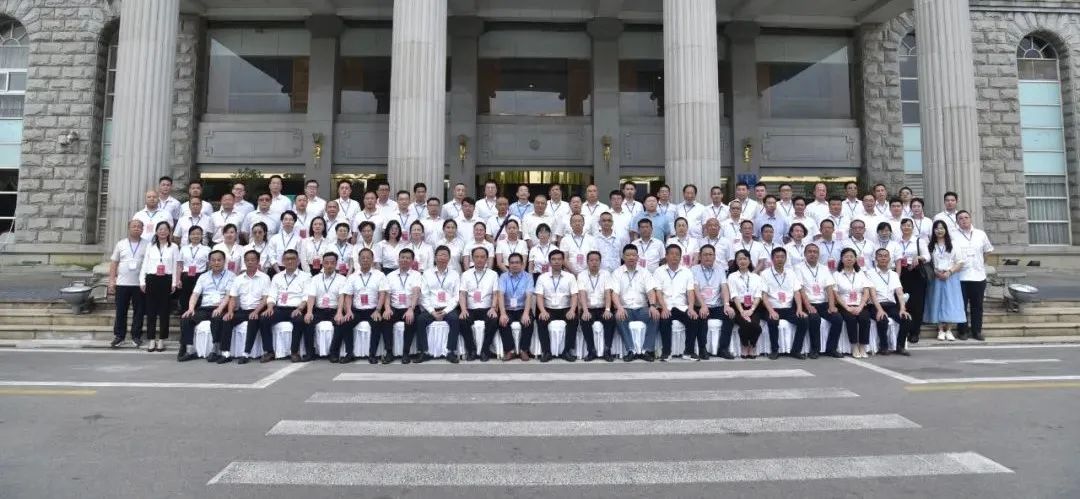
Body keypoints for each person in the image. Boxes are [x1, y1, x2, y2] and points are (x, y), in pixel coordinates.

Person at [177, 250, 234, 362]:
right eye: (213, 260)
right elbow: (195, 294)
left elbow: (229, 295)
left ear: (224, 261)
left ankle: (215, 350)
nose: (216, 262)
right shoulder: (203, 276)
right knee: (186, 318)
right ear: (209, 262)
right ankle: (189, 350)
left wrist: (220, 308)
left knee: (217, 318)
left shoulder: (231, 276)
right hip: (205, 308)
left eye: (219, 260)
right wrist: (191, 308)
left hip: (221, 307)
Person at [414, 246, 467, 363]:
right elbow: (424, 296)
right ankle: (423, 352)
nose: (442, 257)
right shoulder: (427, 274)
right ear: (435, 257)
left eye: (445, 255)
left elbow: (456, 296)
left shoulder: (454, 274)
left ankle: (450, 352)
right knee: (420, 320)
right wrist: (432, 312)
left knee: (455, 319)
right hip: (432, 308)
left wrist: (446, 311)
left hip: (448, 308)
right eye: (440, 255)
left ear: (449, 258)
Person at [609, 244, 660, 362]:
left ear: (638, 257)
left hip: (642, 308)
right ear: (623, 257)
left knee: (655, 316)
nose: (631, 257)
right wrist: (619, 308)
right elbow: (614, 294)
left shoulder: (645, 272)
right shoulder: (617, 273)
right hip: (625, 308)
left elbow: (651, 291)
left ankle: (647, 350)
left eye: (633, 255)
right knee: (619, 317)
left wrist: (653, 306)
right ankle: (631, 350)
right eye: (628, 255)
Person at [338, 248, 390, 364]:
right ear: (358, 260)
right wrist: (349, 311)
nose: (365, 260)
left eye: (368, 258)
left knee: (377, 323)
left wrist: (378, 310)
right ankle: (349, 353)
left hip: (373, 309)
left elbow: (382, 293)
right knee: (346, 322)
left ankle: (372, 355)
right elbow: (348, 295)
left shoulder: (380, 275)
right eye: (363, 258)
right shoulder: (353, 276)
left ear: (372, 260)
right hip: (357, 310)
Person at [261, 249, 310, 363]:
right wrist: (269, 308)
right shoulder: (277, 277)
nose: (290, 261)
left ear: (298, 261)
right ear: (283, 261)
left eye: (293, 259)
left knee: (299, 320)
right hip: (280, 308)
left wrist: (300, 308)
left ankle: (294, 352)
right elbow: (272, 295)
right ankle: (269, 352)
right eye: (287, 259)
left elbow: (306, 296)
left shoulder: (305, 276)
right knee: (264, 318)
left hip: (296, 308)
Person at [759, 247, 808, 360]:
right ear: (772, 259)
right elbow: (764, 295)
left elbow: (796, 292)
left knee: (804, 320)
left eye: (782, 257)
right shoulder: (765, 274)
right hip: (772, 307)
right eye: (777, 257)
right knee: (772, 320)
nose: (780, 259)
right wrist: (771, 311)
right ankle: (774, 350)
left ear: (786, 259)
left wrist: (799, 309)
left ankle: (796, 350)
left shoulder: (791, 273)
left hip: (788, 308)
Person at [140, 221, 180, 353]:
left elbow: (175, 266)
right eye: (160, 229)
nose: (163, 231)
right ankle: (151, 339)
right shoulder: (150, 246)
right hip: (152, 279)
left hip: (166, 280)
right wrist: (142, 281)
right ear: (156, 231)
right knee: (151, 311)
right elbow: (145, 264)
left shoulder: (174, 247)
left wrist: (174, 283)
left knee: (164, 311)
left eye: (165, 229)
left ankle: (162, 339)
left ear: (169, 232)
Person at [654, 244, 700, 360]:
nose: (674, 256)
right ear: (666, 256)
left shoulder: (687, 272)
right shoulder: (659, 271)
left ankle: (689, 352)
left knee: (693, 319)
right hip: (665, 306)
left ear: (680, 257)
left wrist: (691, 308)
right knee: (665, 320)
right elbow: (658, 292)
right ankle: (666, 352)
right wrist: (664, 308)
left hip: (681, 306)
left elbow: (690, 291)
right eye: (671, 254)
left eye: (677, 254)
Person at [795, 243, 840, 358]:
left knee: (837, 318)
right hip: (808, 303)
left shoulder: (824, 268)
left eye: (815, 252)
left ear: (818, 254)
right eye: (809, 251)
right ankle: (815, 349)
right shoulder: (799, 268)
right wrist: (808, 306)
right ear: (805, 254)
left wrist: (831, 305)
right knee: (814, 319)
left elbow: (829, 287)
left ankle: (831, 349)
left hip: (823, 303)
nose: (812, 254)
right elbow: (800, 289)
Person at [533, 250, 580, 362]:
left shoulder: (570, 277)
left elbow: (574, 295)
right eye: (553, 259)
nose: (556, 262)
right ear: (549, 262)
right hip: (548, 309)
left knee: (573, 320)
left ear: (563, 261)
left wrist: (572, 310)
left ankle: (567, 351)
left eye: (559, 259)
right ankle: (546, 352)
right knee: (541, 320)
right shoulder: (542, 277)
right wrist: (542, 311)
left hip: (565, 308)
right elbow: (539, 296)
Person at [304, 252, 351, 362]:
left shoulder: (342, 279)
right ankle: (310, 353)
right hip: (319, 310)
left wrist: (339, 312)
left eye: (332, 263)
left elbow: (341, 297)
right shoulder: (315, 279)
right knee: (307, 321)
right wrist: (309, 312)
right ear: (322, 264)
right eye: (326, 263)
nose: (329, 265)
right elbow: (311, 296)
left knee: (340, 323)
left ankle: (334, 353)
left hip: (334, 309)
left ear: (336, 264)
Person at [954, 211, 994, 341]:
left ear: (970, 219)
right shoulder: (953, 235)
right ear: (957, 221)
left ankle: (977, 331)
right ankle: (962, 331)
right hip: (961, 276)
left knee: (977, 306)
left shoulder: (980, 234)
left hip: (978, 275)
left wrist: (980, 263)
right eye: (961, 218)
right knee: (961, 305)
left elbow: (987, 251)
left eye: (966, 217)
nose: (964, 220)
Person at [925, 220, 967, 341]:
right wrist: (935, 272)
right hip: (936, 277)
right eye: (937, 228)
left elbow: (960, 262)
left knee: (950, 302)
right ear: (933, 230)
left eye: (942, 228)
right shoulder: (931, 245)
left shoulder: (953, 244)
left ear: (946, 230)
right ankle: (940, 330)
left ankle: (948, 329)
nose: (939, 230)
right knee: (937, 301)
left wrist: (949, 272)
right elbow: (928, 262)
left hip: (951, 277)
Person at [108, 219, 147, 348]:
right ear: (129, 228)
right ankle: (119, 336)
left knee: (139, 311)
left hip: (139, 284)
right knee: (121, 311)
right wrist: (112, 280)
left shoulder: (147, 244)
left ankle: (136, 336)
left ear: (142, 229)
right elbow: (114, 263)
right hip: (122, 283)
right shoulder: (121, 244)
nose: (136, 228)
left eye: (139, 227)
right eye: (133, 226)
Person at [229, 250, 274, 362]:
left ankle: (246, 353)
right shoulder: (238, 279)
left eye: (253, 260)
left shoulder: (264, 277)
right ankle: (224, 352)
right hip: (243, 310)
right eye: (247, 260)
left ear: (258, 262)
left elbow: (265, 298)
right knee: (226, 319)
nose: (250, 262)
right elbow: (233, 298)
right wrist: (230, 312)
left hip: (258, 309)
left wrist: (256, 311)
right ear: (244, 262)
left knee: (253, 319)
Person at [867, 248, 913, 355]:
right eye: (880, 256)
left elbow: (900, 293)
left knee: (906, 319)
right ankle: (884, 347)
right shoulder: (869, 273)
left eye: (885, 256)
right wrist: (879, 310)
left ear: (889, 259)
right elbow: (872, 295)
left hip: (891, 305)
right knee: (882, 319)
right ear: (875, 258)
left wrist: (902, 309)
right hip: (875, 305)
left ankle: (900, 346)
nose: (883, 258)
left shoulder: (894, 274)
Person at [458, 247, 500, 361]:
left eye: (482, 257)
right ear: (472, 258)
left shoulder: (493, 274)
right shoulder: (466, 274)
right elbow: (462, 294)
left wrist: (493, 308)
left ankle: (485, 350)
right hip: (470, 308)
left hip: (487, 308)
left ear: (487, 259)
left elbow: (496, 293)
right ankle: (471, 350)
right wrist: (463, 309)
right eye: (476, 257)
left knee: (494, 320)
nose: (479, 259)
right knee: (462, 320)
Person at [691, 244, 731, 359]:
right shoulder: (694, 270)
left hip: (716, 305)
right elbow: (695, 289)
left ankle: (723, 349)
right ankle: (702, 349)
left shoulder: (720, 269)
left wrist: (726, 305)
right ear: (700, 256)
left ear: (714, 256)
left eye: (710, 254)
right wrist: (703, 305)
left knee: (730, 316)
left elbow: (724, 287)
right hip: (701, 305)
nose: (708, 257)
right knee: (702, 317)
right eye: (705, 255)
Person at [723, 249, 765, 359]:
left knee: (756, 326)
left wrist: (751, 310)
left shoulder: (756, 277)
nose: (742, 261)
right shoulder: (732, 276)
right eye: (740, 259)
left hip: (753, 307)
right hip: (738, 307)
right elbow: (734, 295)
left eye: (745, 259)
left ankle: (753, 345)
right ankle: (745, 345)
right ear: (736, 262)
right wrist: (742, 311)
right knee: (746, 324)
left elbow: (758, 295)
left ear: (749, 260)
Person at [384, 249, 423, 364]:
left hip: (410, 306)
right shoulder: (390, 276)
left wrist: (411, 309)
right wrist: (387, 308)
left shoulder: (416, 275)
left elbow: (416, 292)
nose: (404, 260)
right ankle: (389, 352)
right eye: (402, 257)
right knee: (385, 319)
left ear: (412, 261)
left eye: (408, 258)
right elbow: (387, 294)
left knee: (410, 320)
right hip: (395, 307)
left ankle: (406, 353)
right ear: (398, 259)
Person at [833, 248, 873, 358]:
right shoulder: (836, 275)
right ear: (841, 259)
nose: (849, 259)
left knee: (865, 318)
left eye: (851, 256)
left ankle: (862, 346)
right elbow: (836, 294)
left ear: (855, 259)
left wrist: (860, 307)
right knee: (851, 319)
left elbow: (866, 292)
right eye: (846, 257)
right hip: (844, 306)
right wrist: (847, 308)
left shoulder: (861, 274)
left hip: (860, 305)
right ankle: (854, 346)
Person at [896, 217, 930, 344]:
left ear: (912, 227)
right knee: (903, 302)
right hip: (901, 273)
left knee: (917, 304)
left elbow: (928, 256)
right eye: (904, 225)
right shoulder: (896, 242)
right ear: (900, 227)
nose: (906, 227)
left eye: (909, 225)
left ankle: (915, 332)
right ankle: (904, 330)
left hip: (916, 273)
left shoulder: (919, 241)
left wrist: (919, 257)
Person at [496, 253, 534, 361]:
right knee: (503, 322)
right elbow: (500, 295)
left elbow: (529, 296)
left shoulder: (528, 277)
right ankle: (510, 350)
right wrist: (503, 313)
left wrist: (526, 313)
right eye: (512, 263)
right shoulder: (503, 277)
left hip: (522, 308)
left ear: (522, 264)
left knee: (528, 321)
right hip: (508, 308)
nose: (514, 265)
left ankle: (524, 350)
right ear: (508, 264)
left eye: (517, 262)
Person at [577, 251, 612, 362]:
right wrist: (585, 311)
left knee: (610, 319)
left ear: (600, 262)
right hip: (589, 309)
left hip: (602, 308)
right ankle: (591, 351)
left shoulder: (606, 274)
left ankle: (607, 350)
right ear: (587, 262)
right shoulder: (582, 275)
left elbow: (608, 293)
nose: (594, 262)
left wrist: (607, 309)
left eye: (597, 260)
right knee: (585, 320)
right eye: (591, 260)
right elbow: (582, 294)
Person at [176, 226, 210, 316]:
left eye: (198, 234)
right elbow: (179, 265)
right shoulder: (184, 248)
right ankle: (185, 315)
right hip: (186, 276)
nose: (195, 236)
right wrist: (178, 279)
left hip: (200, 275)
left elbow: (208, 266)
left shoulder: (207, 249)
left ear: (202, 236)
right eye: (193, 234)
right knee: (185, 297)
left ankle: (196, 316)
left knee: (198, 297)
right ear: (189, 236)